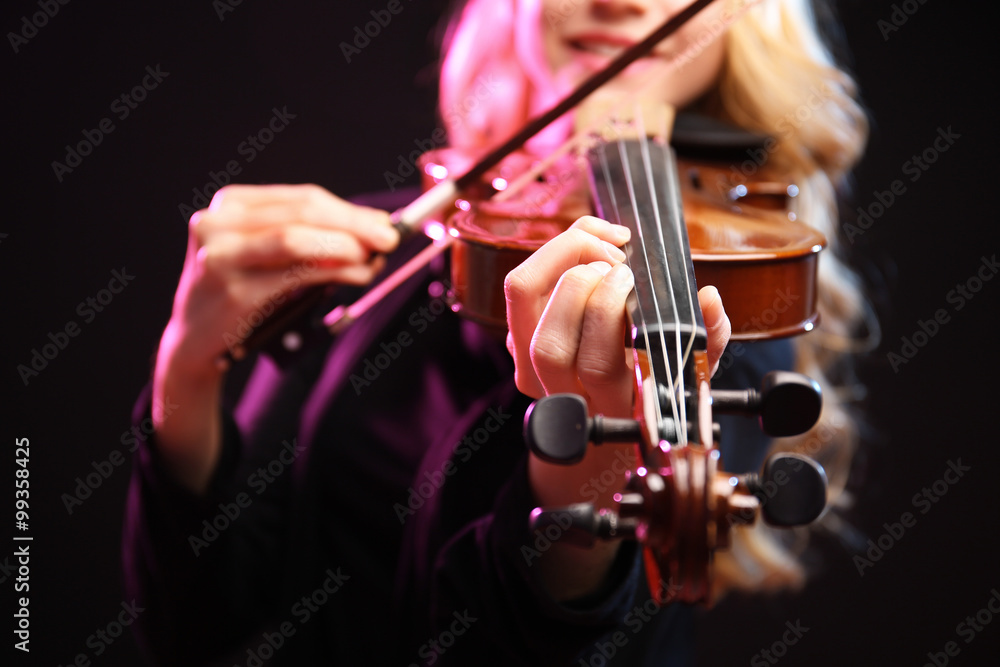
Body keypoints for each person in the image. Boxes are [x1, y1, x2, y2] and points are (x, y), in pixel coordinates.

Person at [123, 0, 869, 664]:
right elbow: (201, 628)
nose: (614, 0)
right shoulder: (405, 245)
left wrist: (577, 510)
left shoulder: (717, 293)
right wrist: (186, 376)